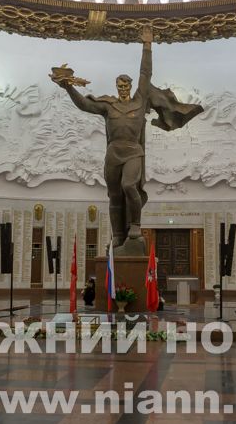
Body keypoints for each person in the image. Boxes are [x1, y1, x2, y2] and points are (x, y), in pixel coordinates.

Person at [53, 27, 203, 255]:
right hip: (113, 153)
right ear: (117, 87)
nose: (123, 89)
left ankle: (135, 226)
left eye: (126, 86)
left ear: (130, 87)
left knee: (129, 186)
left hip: (133, 152)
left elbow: (145, 73)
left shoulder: (140, 101)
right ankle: (117, 236)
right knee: (114, 195)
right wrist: (68, 87)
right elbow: (84, 104)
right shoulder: (108, 106)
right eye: (120, 86)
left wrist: (147, 45)